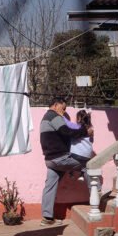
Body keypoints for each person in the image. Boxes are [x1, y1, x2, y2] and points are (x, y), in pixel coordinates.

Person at [39, 97, 88, 226]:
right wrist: (84, 131)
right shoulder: (54, 116)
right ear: (56, 105)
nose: (64, 111)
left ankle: (47, 218)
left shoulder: (45, 118)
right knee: (88, 165)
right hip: (60, 158)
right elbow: (66, 132)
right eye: (63, 107)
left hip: (50, 160)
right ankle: (98, 193)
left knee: (50, 187)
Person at [68, 110, 95, 182]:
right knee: (84, 164)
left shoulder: (76, 127)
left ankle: (71, 172)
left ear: (79, 118)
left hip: (76, 153)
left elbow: (71, 132)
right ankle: (81, 175)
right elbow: (92, 141)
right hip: (87, 154)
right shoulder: (91, 129)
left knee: (69, 160)